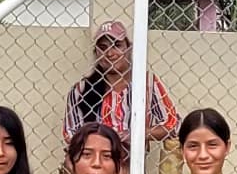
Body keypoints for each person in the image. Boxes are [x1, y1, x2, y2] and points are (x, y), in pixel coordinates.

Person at [68, 19, 174, 152]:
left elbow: (172, 125)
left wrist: (136, 135)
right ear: (96, 52)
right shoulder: (82, 89)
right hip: (96, 158)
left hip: (132, 160)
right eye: (103, 48)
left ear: (128, 48)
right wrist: (103, 142)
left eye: (116, 45)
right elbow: (70, 133)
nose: (110, 53)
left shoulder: (146, 83)